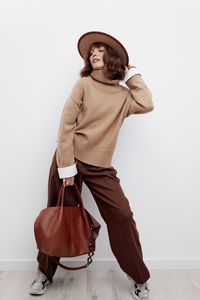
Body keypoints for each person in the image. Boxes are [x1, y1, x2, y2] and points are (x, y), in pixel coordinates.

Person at [29, 31, 154, 300]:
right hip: (69, 159)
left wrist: (133, 75)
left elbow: (147, 102)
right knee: (59, 213)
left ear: (113, 58)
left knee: (122, 216)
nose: (94, 53)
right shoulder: (83, 84)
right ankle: (44, 273)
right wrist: (66, 167)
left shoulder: (123, 96)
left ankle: (139, 277)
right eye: (92, 51)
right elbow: (66, 126)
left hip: (100, 167)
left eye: (100, 50)